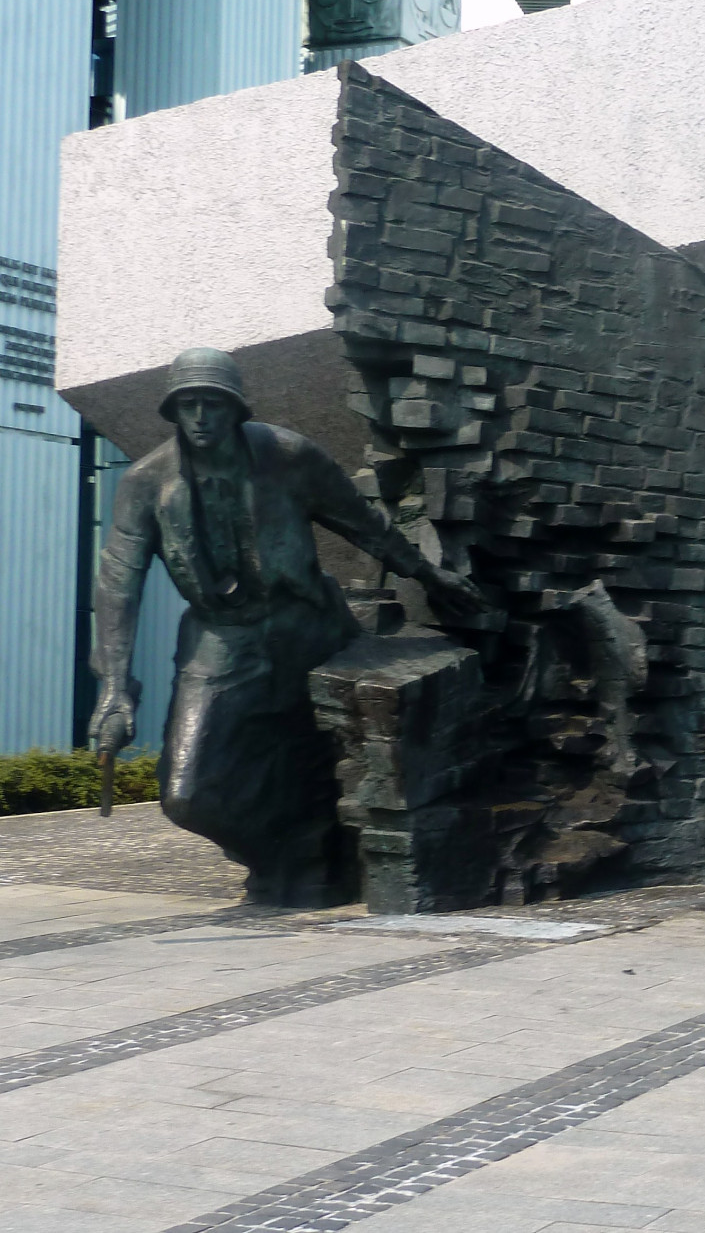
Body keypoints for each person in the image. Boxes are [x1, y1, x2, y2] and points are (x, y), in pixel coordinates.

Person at [89, 346, 488, 906]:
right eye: (188, 405)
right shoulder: (145, 482)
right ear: (173, 411)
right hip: (221, 638)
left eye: (212, 403)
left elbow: (363, 524)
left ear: (236, 408)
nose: (200, 417)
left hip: (306, 625)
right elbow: (117, 584)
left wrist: (427, 574)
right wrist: (114, 689)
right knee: (188, 793)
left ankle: (316, 867)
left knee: (311, 757)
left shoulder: (288, 455)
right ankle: (290, 853)